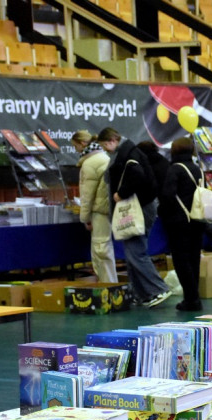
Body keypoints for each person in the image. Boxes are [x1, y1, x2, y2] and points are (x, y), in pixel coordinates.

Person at [97, 127, 170, 307]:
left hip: (138, 209)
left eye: (105, 146)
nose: (105, 150)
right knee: (132, 254)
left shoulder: (127, 155)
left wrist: (120, 194)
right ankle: (141, 293)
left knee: (136, 252)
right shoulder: (130, 152)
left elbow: (137, 176)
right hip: (143, 207)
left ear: (111, 141)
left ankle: (158, 289)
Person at [158, 136, 206, 312]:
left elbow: (168, 196)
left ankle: (191, 299)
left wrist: (162, 213)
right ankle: (194, 297)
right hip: (198, 220)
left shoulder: (175, 169)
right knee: (194, 259)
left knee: (181, 261)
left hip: (179, 222)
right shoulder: (198, 169)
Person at [70, 130, 116, 283]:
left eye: (75, 145)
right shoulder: (103, 157)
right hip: (107, 209)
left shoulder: (90, 163)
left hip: (99, 212)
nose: (75, 149)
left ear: (82, 144)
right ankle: (110, 286)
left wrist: (85, 218)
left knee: (101, 250)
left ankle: (108, 288)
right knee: (104, 249)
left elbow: (87, 194)